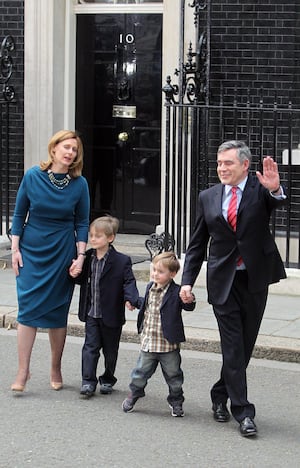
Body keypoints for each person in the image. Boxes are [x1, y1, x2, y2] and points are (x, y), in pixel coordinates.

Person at [180, 140, 287, 436]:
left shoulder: (259, 189)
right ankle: (243, 412)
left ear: (244, 165)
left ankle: (219, 394)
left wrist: (275, 189)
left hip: (254, 279)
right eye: (219, 163)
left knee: (244, 347)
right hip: (222, 280)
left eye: (228, 163)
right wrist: (187, 281)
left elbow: (278, 203)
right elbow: (197, 243)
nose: (222, 168)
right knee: (232, 346)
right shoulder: (208, 196)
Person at [10, 129, 90, 393]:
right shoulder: (33, 176)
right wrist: (15, 249)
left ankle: (55, 367)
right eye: (66, 147)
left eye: (74, 149)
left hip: (61, 251)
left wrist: (80, 256)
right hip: (32, 250)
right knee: (27, 311)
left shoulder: (79, 184)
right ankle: (23, 371)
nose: (70, 153)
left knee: (57, 312)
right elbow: (19, 213)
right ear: (53, 149)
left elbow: (81, 222)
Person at [69, 216, 140, 398]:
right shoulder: (88, 257)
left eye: (98, 236)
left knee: (110, 350)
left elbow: (128, 282)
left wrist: (131, 299)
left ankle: (108, 378)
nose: (93, 239)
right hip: (92, 312)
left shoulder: (121, 260)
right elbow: (80, 279)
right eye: (91, 235)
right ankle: (88, 381)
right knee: (90, 347)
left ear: (110, 238)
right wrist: (74, 273)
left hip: (111, 314)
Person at [122, 251, 196, 417]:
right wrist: (134, 303)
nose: (155, 274)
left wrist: (189, 299)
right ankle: (135, 393)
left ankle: (176, 400)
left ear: (172, 274)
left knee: (174, 376)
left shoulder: (177, 291)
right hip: (149, 342)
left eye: (160, 271)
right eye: (154, 269)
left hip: (167, 345)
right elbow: (148, 305)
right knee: (139, 373)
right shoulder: (150, 287)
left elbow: (188, 306)